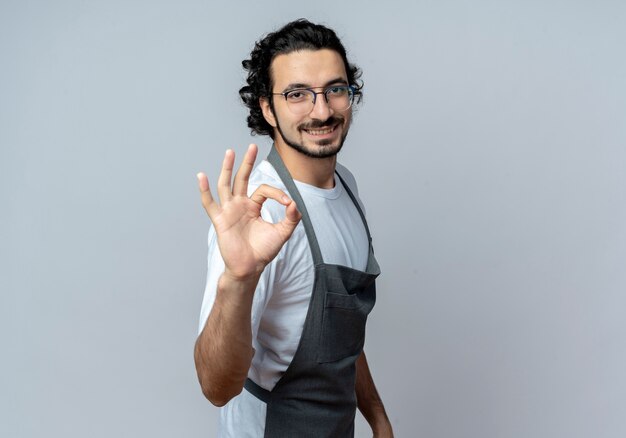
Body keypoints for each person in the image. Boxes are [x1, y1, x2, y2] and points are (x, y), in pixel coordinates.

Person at [194, 19, 393, 438]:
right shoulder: (259, 213)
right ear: (267, 107)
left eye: (335, 90)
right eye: (297, 94)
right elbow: (216, 386)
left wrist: (376, 416)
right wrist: (239, 278)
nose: (322, 111)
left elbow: (341, 332)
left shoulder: (347, 188)